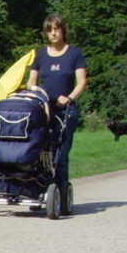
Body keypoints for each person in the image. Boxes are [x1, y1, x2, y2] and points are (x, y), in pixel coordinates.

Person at [26, 14, 87, 188]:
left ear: (62, 30)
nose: (53, 33)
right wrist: (34, 93)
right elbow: (32, 81)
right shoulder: (40, 54)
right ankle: (37, 190)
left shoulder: (74, 53)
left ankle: (59, 194)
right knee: (38, 152)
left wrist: (69, 97)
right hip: (44, 109)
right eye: (49, 30)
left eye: (56, 29)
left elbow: (81, 81)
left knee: (60, 154)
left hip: (65, 110)